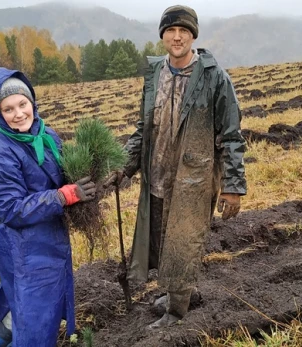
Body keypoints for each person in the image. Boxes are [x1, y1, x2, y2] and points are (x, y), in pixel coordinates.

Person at [105, 5, 247, 328]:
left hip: (193, 180)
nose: (178, 36)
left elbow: (231, 135)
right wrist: (123, 167)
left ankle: (176, 312)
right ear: (163, 36)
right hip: (158, 176)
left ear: (193, 35)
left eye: (184, 31)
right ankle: (174, 294)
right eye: (171, 30)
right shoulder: (156, 74)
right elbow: (145, 128)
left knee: (183, 242)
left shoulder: (214, 77)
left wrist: (233, 186)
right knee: (163, 241)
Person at [0, 67, 96, 346]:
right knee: (35, 319)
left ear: (32, 102)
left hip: (47, 238)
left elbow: (63, 174)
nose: (18, 114)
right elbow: (11, 208)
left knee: (22, 308)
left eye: (22, 104)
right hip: (23, 244)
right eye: (8, 109)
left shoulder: (45, 135)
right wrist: (62, 197)